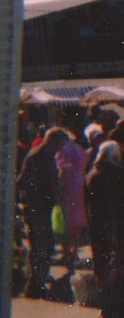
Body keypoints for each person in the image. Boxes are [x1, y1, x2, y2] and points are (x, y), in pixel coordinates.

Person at [85, 141, 124, 281]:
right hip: (122, 227)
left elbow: (87, 204)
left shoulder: (92, 176)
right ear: (115, 156)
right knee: (121, 261)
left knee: (101, 262)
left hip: (98, 227)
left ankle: (102, 290)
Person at [18, 127, 69, 297]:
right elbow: (51, 182)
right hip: (38, 207)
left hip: (35, 206)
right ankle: (36, 284)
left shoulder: (38, 153)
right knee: (43, 246)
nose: (60, 149)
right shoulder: (44, 155)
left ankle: (36, 281)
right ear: (53, 140)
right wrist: (56, 198)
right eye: (60, 144)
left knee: (40, 245)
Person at [55, 130, 91, 265]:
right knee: (76, 220)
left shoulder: (64, 149)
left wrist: (59, 187)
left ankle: (66, 253)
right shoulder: (78, 148)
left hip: (69, 184)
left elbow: (64, 170)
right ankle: (74, 250)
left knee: (66, 220)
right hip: (81, 183)